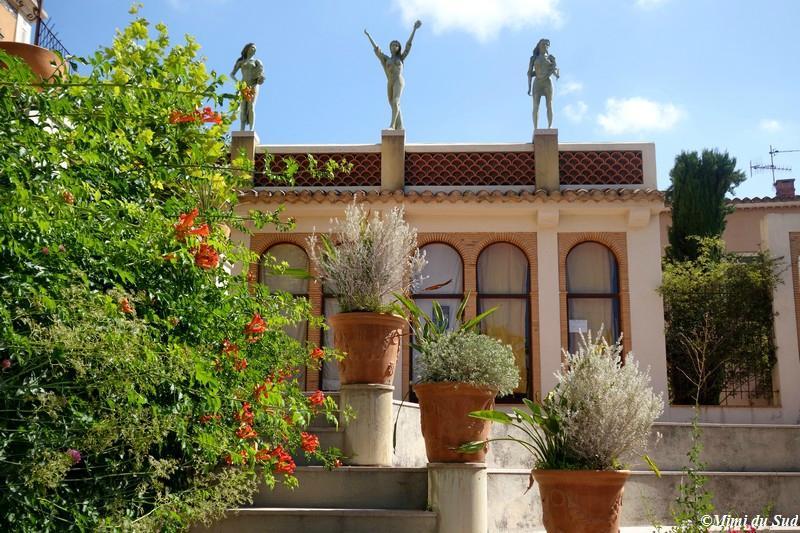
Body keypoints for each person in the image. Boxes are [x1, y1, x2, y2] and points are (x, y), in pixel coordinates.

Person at [364, 20, 422, 130]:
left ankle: (392, 125)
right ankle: (400, 126)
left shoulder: (401, 57)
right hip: (390, 81)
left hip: (398, 80)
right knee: (392, 104)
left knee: (396, 101)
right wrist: (368, 36)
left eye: (396, 45)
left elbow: (408, 46)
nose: (394, 46)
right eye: (392, 45)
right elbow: (377, 51)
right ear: (390, 47)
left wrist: (414, 29)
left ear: (398, 48)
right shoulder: (386, 59)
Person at [230, 43, 265, 131]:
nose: (254, 49)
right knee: (243, 108)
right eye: (252, 47)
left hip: (253, 85)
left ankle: (251, 129)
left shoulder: (257, 62)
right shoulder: (241, 62)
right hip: (243, 86)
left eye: (255, 48)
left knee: (251, 106)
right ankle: (242, 129)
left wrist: (260, 78)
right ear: (248, 49)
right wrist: (238, 82)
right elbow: (232, 74)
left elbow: (261, 73)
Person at [527, 38, 559, 129]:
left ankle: (550, 126)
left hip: (547, 82)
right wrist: (529, 87)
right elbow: (529, 73)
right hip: (537, 82)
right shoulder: (534, 58)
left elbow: (554, 71)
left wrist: (555, 69)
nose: (545, 46)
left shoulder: (550, 58)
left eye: (546, 45)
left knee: (549, 104)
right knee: (535, 106)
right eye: (543, 44)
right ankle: (536, 128)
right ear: (539, 46)